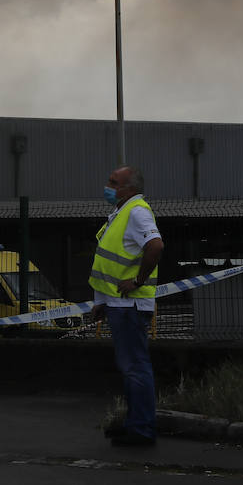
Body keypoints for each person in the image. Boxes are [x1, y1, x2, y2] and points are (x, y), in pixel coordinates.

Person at [89, 164, 164, 447]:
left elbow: (155, 246)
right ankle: (136, 424)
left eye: (113, 182)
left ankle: (142, 430)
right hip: (119, 304)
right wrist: (103, 303)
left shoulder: (136, 211)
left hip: (129, 305)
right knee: (132, 366)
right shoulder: (122, 212)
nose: (107, 186)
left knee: (135, 367)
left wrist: (138, 280)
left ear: (129, 188)